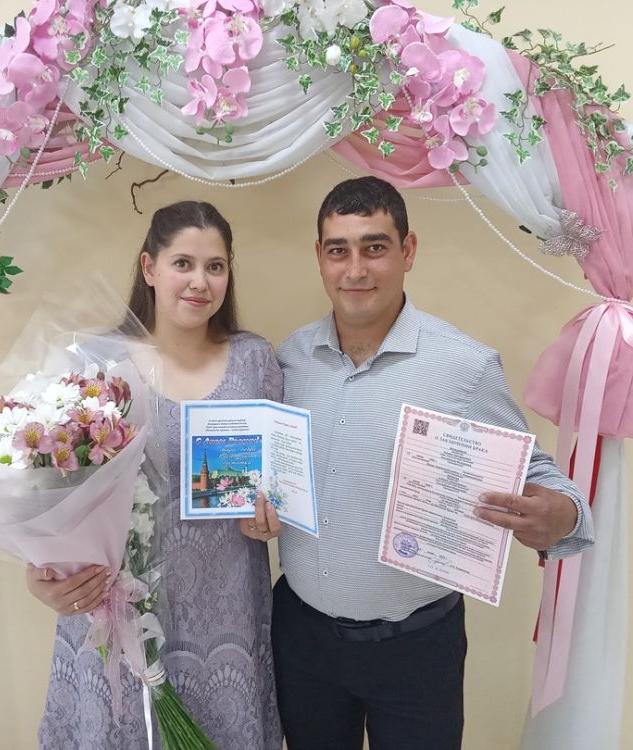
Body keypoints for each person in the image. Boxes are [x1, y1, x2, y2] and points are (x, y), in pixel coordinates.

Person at [240, 177, 595, 750]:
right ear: (320, 258)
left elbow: (540, 478)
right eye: (339, 250)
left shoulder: (464, 366)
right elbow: (270, 474)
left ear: (407, 251)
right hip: (303, 639)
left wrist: (562, 515)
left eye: (375, 247)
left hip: (417, 650)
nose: (356, 269)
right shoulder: (291, 358)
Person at [28, 201, 283, 749]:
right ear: (149, 268)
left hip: (226, 611)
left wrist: (271, 515)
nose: (200, 282)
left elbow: (276, 479)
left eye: (215, 266)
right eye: (183, 263)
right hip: (119, 615)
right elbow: (49, 490)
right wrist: (43, 573)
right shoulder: (95, 364)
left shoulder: (255, 360)